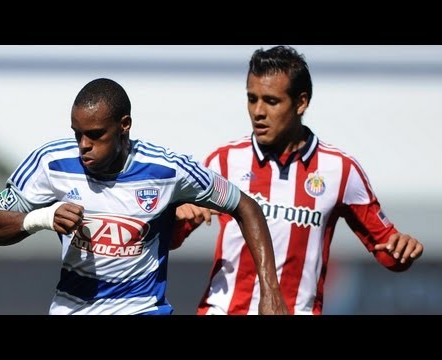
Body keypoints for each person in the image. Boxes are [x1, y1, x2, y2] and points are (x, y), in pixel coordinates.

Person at [0, 78, 287, 315]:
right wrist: (42, 218)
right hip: (72, 307)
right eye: (77, 134)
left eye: (95, 134)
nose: (83, 145)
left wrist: (271, 292)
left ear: (124, 126)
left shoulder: (168, 170)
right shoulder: (50, 162)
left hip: (142, 309)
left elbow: (245, 206)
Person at [171, 45, 424, 315]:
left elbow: (387, 251)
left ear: (301, 102)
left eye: (271, 101)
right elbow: (172, 239)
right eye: (252, 98)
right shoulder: (222, 162)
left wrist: (403, 250)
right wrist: (178, 217)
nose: (258, 111)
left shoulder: (340, 170)